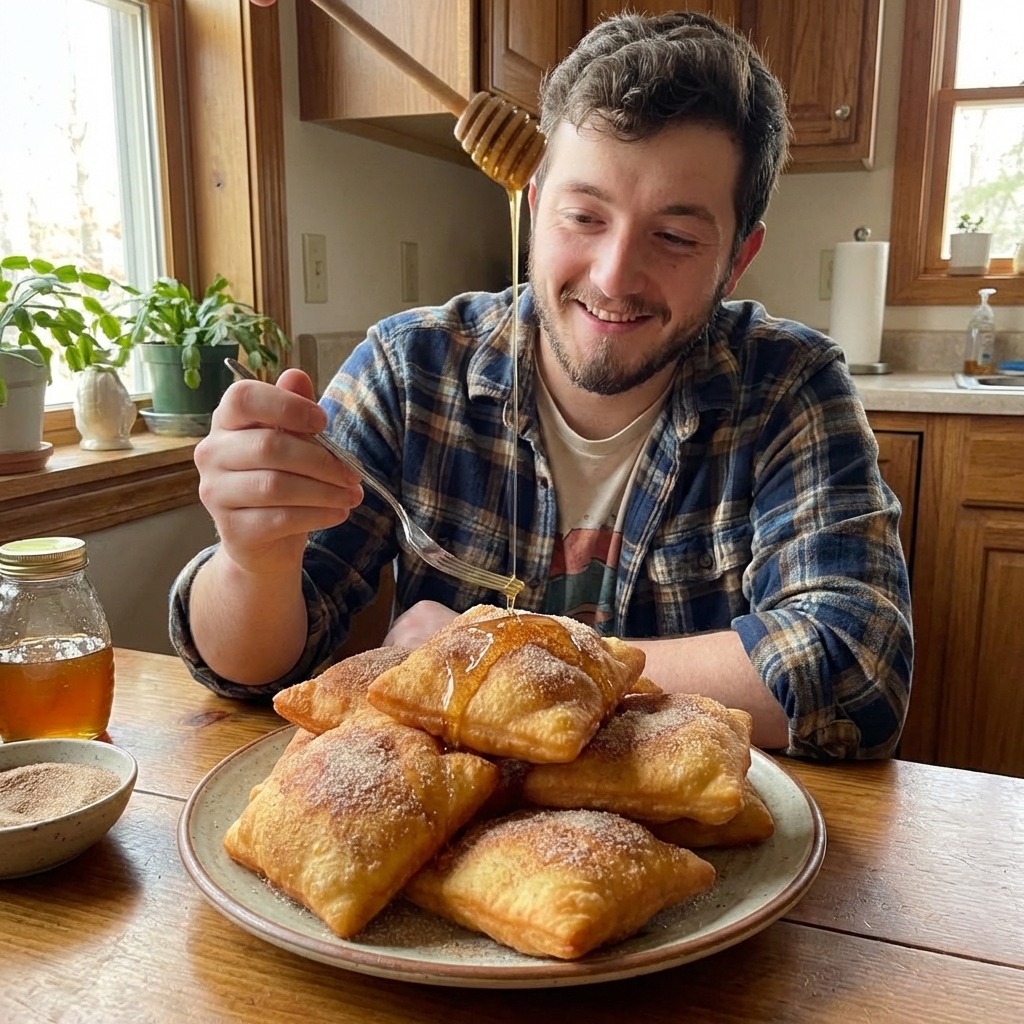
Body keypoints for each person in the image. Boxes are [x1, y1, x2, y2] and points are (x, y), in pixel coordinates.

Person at [171, 8, 912, 759]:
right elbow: (248, 674)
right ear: (533, 207)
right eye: (583, 216)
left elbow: (855, 671)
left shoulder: (790, 388)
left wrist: (500, 654)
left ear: (738, 258)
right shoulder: (410, 369)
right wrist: (253, 562)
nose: (614, 275)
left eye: (677, 237)